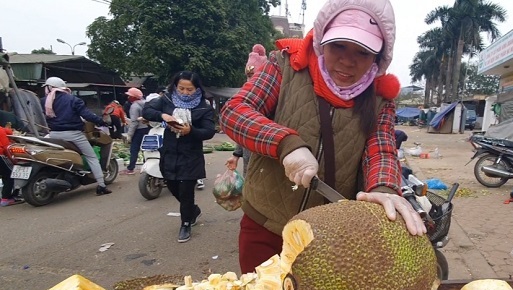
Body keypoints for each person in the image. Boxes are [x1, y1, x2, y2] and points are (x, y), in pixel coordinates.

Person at [220, 0, 427, 274]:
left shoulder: (380, 100)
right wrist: (285, 143)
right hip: (265, 224)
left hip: (329, 237)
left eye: (362, 52)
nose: (347, 60)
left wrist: (384, 190)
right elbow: (235, 112)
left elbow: (381, 152)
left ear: (378, 58)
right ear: (321, 41)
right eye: (338, 45)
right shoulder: (284, 66)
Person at [142, 71, 215, 243]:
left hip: (190, 154)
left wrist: (191, 131)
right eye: (181, 88)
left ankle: (186, 223)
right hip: (169, 151)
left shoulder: (203, 107)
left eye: (189, 89)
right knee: (172, 185)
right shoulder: (166, 100)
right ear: (175, 87)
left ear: (197, 89)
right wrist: (163, 116)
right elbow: (147, 111)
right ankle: (193, 210)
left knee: (186, 190)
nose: (185, 92)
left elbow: (209, 131)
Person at [40, 77, 112, 195]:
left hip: (53, 134)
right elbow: (87, 115)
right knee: (92, 157)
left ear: (50, 87)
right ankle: (101, 185)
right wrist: (101, 121)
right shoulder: (73, 99)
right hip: (73, 134)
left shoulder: (44, 101)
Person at [225, 44, 267, 176]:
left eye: (253, 76)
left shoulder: (272, 100)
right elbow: (243, 130)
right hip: (249, 163)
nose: (250, 80)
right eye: (248, 76)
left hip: (266, 162)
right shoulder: (246, 100)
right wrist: (236, 155)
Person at [124, 88, 149, 175]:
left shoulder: (134, 106)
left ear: (133, 97)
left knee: (134, 149)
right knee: (146, 149)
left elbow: (134, 122)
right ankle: (146, 167)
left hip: (138, 130)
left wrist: (129, 135)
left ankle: (131, 168)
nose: (128, 97)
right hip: (147, 128)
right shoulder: (146, 104)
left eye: (129, 96)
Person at [0, 121, 24, 206]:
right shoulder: (2, 131)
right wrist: (14, 161)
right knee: (10, 175)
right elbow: (7, 148)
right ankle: (6, 199)